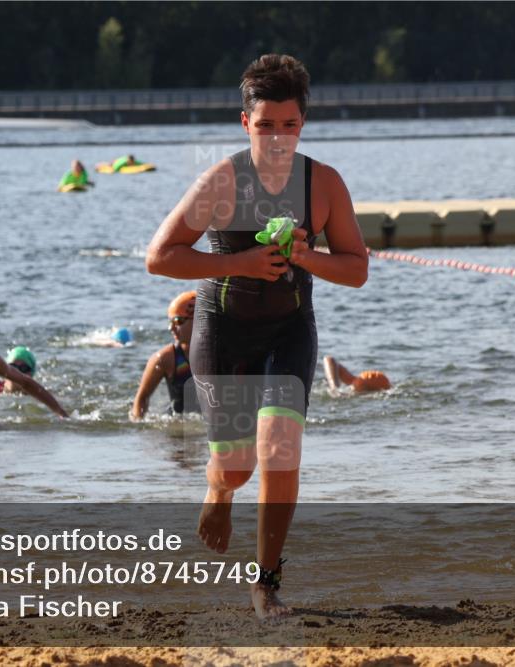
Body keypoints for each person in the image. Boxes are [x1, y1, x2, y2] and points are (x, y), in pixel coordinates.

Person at [145, 54, 368, 618]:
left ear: (303, 125)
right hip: (222, 333)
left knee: (279, 450)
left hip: (289, 331)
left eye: (288, 125)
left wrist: (307, 256)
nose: (277, 138)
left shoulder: (323, 184)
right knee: (238, 468)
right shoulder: (222, 180)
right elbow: (160, 257)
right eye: (265, 125)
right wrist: (241, 261)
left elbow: (357, 268)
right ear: (245, 123)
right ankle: (218, 491)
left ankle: (265, 584)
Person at [131, 291, 199, 420]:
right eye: (170, 321)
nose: (171, 328)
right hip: (177, 428)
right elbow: (141, 398)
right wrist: (137, 427)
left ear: (198, 321)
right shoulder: (166, 358)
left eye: (178, 321)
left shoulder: (221, 353)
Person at [323, 355, 391, 394]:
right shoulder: (352, 381)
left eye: (372, 377)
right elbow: (329, 359)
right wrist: (334, 387)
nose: (371, 374)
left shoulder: (354, 388)